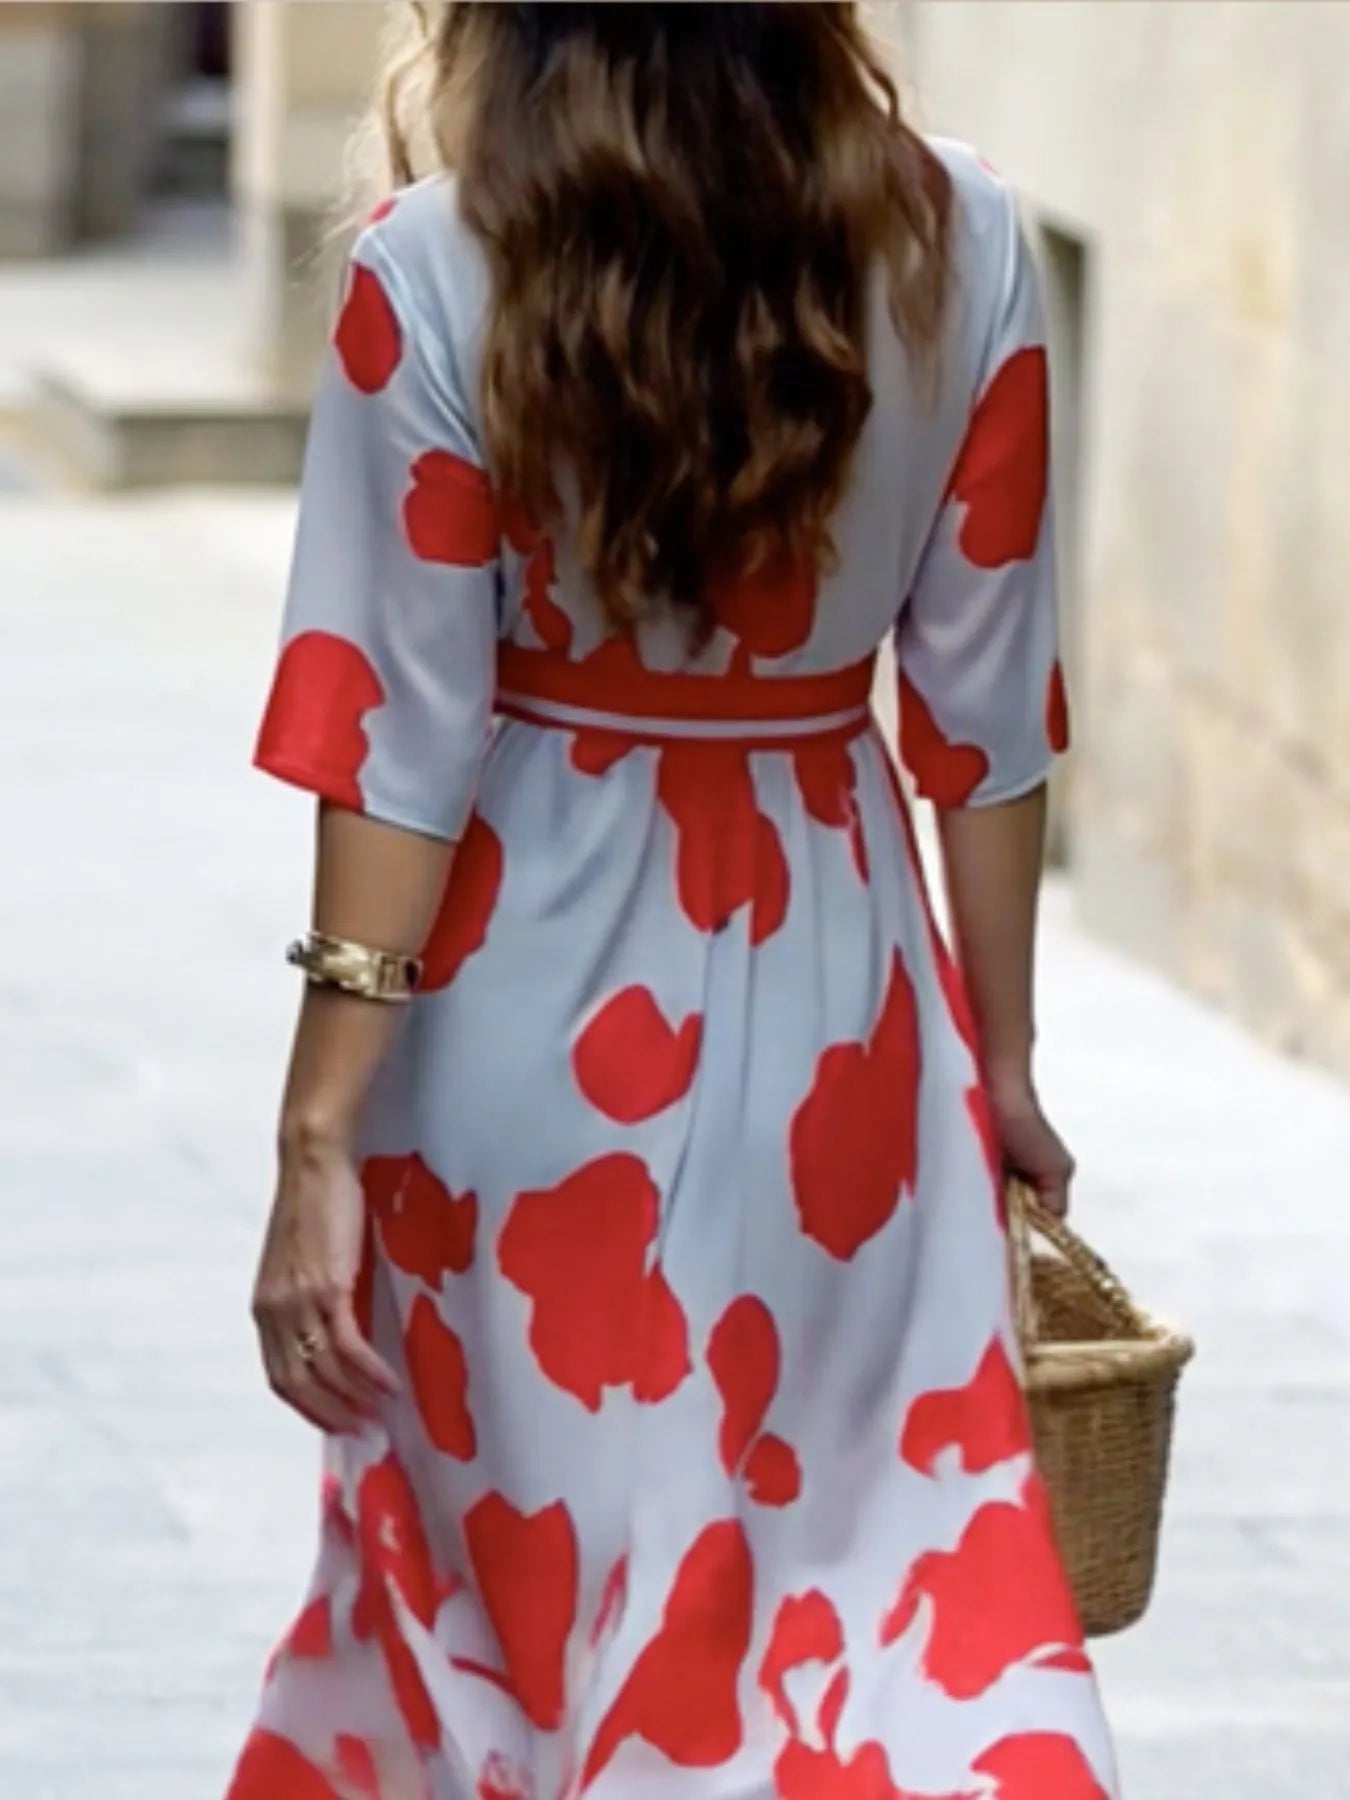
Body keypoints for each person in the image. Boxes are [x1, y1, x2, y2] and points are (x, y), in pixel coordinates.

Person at [227, 4, 1118, 1796]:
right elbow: (984, 723)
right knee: (859, 1582)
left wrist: (317, 1133)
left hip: (513, 1009)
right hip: (844, 1007)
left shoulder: (432, 265)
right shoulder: (969, 238)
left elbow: (398, 743)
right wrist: (1000, 1062)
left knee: (510, 1620)